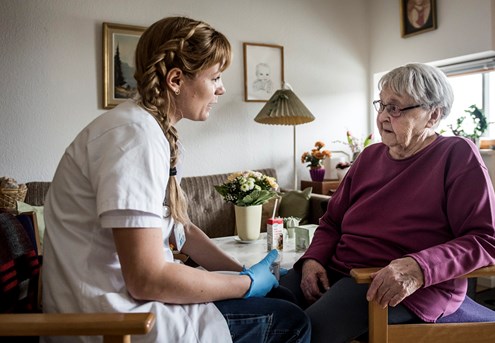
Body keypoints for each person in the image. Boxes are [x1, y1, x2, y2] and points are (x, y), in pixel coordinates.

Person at [42, 16, 310, 343]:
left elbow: (180, 230)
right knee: (291, 321)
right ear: (176, 80)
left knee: (280, 297)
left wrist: (243, 275)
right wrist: (246, 286)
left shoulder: (154, 132)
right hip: (114, 320)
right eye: (215, 77)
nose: (221, 89)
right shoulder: (133, 138)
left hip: (133, 305)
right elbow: (145, 278)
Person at [280, 63, 495, 342]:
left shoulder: (457, 155)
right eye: (382, 105)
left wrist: (419, 267)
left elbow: (485, 239)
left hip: (399, 285)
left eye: (396, 108)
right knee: (268, 307)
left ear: (432, 115)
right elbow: (332, 221)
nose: (383, 117)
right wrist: (313, 260)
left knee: (301, 332)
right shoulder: (369, 157)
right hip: (339, 271)